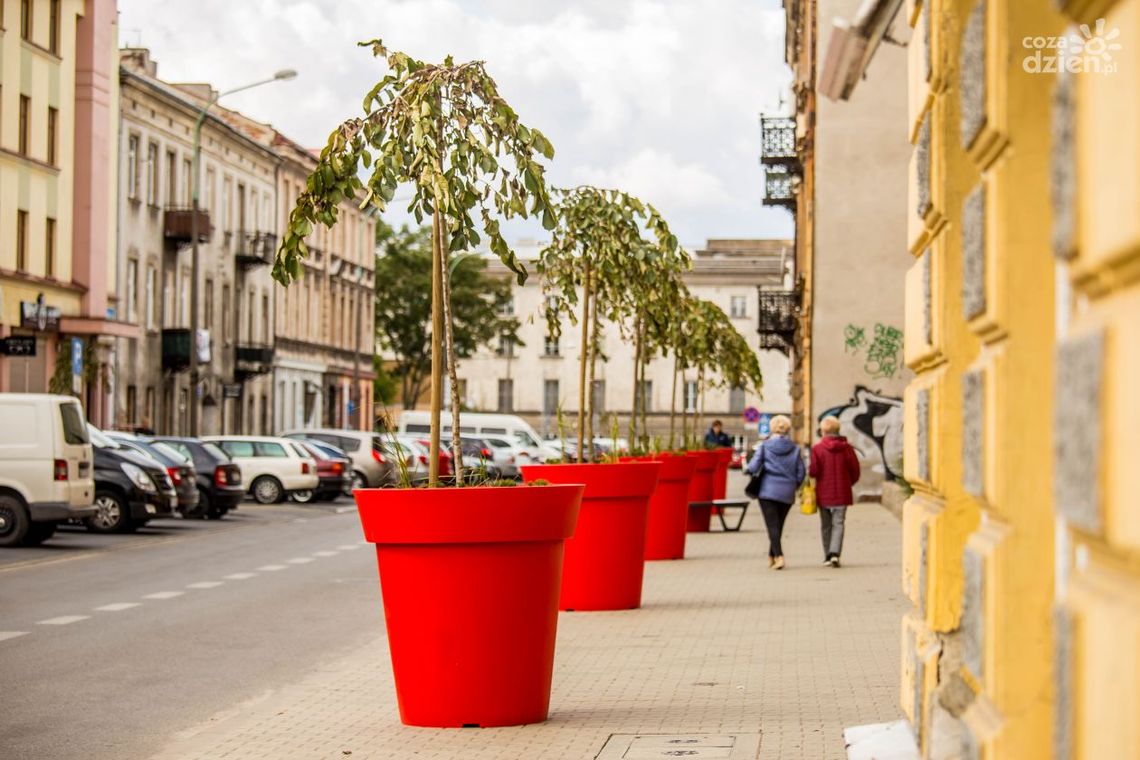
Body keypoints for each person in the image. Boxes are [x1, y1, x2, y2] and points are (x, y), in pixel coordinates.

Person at [744, 415, 805, 569]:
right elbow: (801, 472)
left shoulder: (765, 446)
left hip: (767, 491)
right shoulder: (795, 448)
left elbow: (753, 467)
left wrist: (747, 470)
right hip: (787, 491)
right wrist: (794, 485)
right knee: (778, 525)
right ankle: (771, 556)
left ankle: (779, 556)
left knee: (772, 526)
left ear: (772, 428)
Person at [810, 416, 861, 568]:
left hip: (823, 492)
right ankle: (835, 554)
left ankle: (827, 555)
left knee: (825, 525)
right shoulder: (847, 448)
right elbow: (855, 471)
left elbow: (813, 471)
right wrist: (848, 483)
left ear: (823, 431)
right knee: (838, 523)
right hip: (842, 492)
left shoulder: (817, 449)